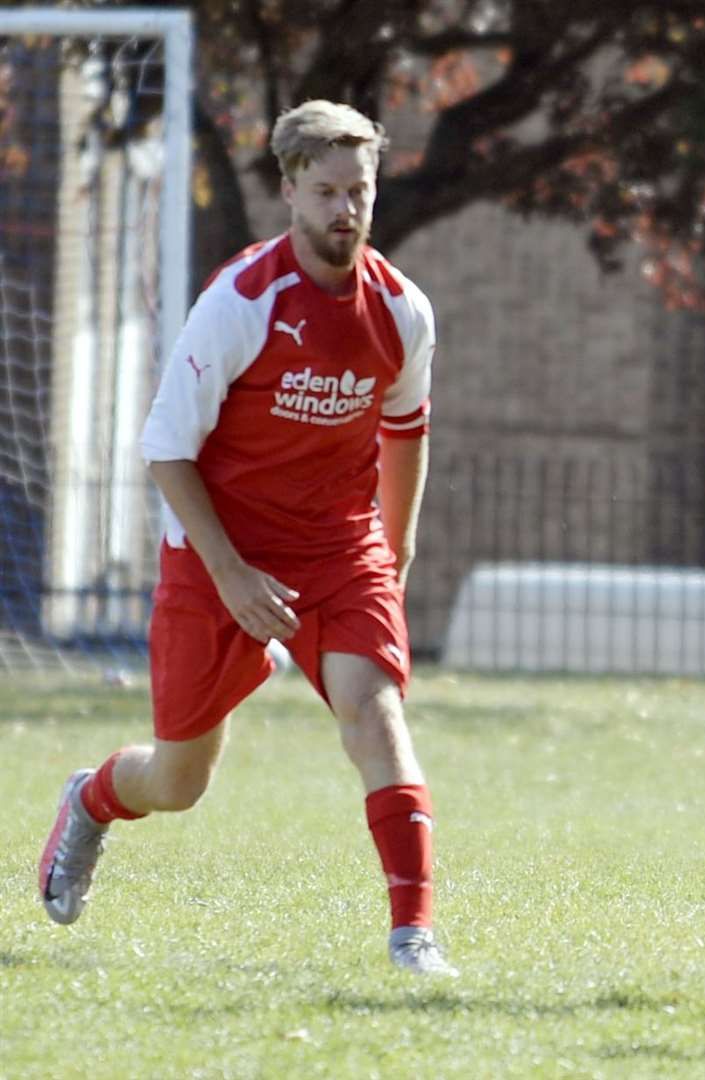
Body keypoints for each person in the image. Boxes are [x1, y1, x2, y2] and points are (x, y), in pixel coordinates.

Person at [37, 100, 455, 977]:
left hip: (341, 551)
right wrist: (228, 574)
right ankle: (93, 798)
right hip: (220, 550)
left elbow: (406, 429)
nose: (345, 210)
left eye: (360, 191)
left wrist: (398, 548)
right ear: (289, 191)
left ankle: (413, 937)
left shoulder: (405, 311)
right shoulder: (241, 300)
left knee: (376, 718)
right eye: (326, 191)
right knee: (179, 783)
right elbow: (164, 447)